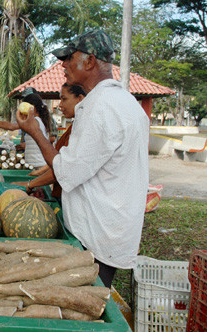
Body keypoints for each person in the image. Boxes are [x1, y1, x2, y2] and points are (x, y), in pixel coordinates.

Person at [16, 30, 149, 287]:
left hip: (97, 237)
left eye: (69, 58)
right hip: (114, 229)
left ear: (89, 62)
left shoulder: (98, 107)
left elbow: (67, 173)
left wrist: (34, 132)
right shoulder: (126, 101)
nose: (63, 65)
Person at [13, 83, 86, 201]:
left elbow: (64, 169)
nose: (60, 105)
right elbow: (60, 163)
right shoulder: (75, 126)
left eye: (64, 99)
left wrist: (30, 183)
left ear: (80, 99)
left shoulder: (84, 129)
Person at [0, 89, 51, 169]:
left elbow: (11, 126)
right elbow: (12, 126)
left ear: (32, 108)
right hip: (34, 166)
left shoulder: (35, 121)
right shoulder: (36, 120)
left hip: (39, 166)